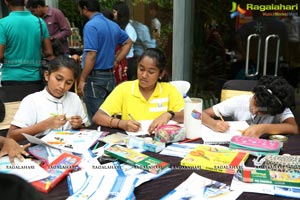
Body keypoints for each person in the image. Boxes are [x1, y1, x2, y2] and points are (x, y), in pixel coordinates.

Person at [92, 48, 184, 133]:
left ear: (161, 73)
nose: (144, 75)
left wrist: (169, 115)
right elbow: (98, 117)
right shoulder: (124, 89)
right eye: (141, 69)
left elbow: (189, 116)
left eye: (151, 72)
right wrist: (121, 124)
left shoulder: (168, 90)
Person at [7, 56, 88, 141]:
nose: (62, 86)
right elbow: (11, 135)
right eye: (58, 79)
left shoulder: (74, 98)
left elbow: (83, 129)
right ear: (47, 75)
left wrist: (78, 125)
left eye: (68, 83)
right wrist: (45, 125)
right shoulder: (32, 101)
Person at [77, 0, 132, 123]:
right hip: (110, 76)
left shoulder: (91, 26)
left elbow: (91, 54)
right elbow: (128, 42)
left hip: (94, 77)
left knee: (97, 119)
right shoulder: (112, 24)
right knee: (109, 116)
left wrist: (82, 79)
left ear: (84, 8)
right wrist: (116, 60)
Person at [202, 75, 298, 138]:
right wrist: (213, 123)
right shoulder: (239, 101)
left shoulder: (278, 105)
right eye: (255, 104)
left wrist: (264, 128)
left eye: (263, 111)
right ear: (254, 93)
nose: (255, 111)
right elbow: (198, 114)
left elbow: (294, 128)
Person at [0, 0, 53, 87]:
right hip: (34, 77)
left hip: (10, 77)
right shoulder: (40, 22)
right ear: (25, 2)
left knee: (13, 101)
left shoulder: (2, 24)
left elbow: (0, 55)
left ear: (6, 2)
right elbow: (49, 52)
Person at [113, 1, 137, 84]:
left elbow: (128, 44)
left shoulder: (129, 29)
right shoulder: (118, 27)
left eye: (114, 12)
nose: (113, 15)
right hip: (120, 61)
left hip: (127, 62)